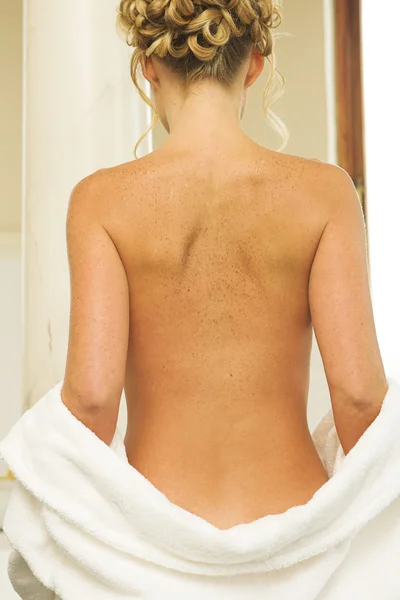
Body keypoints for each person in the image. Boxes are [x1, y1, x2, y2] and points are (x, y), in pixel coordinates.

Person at [2, 1, 399, 598]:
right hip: (303, 557)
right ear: (256, 66)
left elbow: (90, 400)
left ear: (148, 69)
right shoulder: (325, 194)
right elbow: (360, 395)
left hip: (150, 557)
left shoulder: (102, 201)